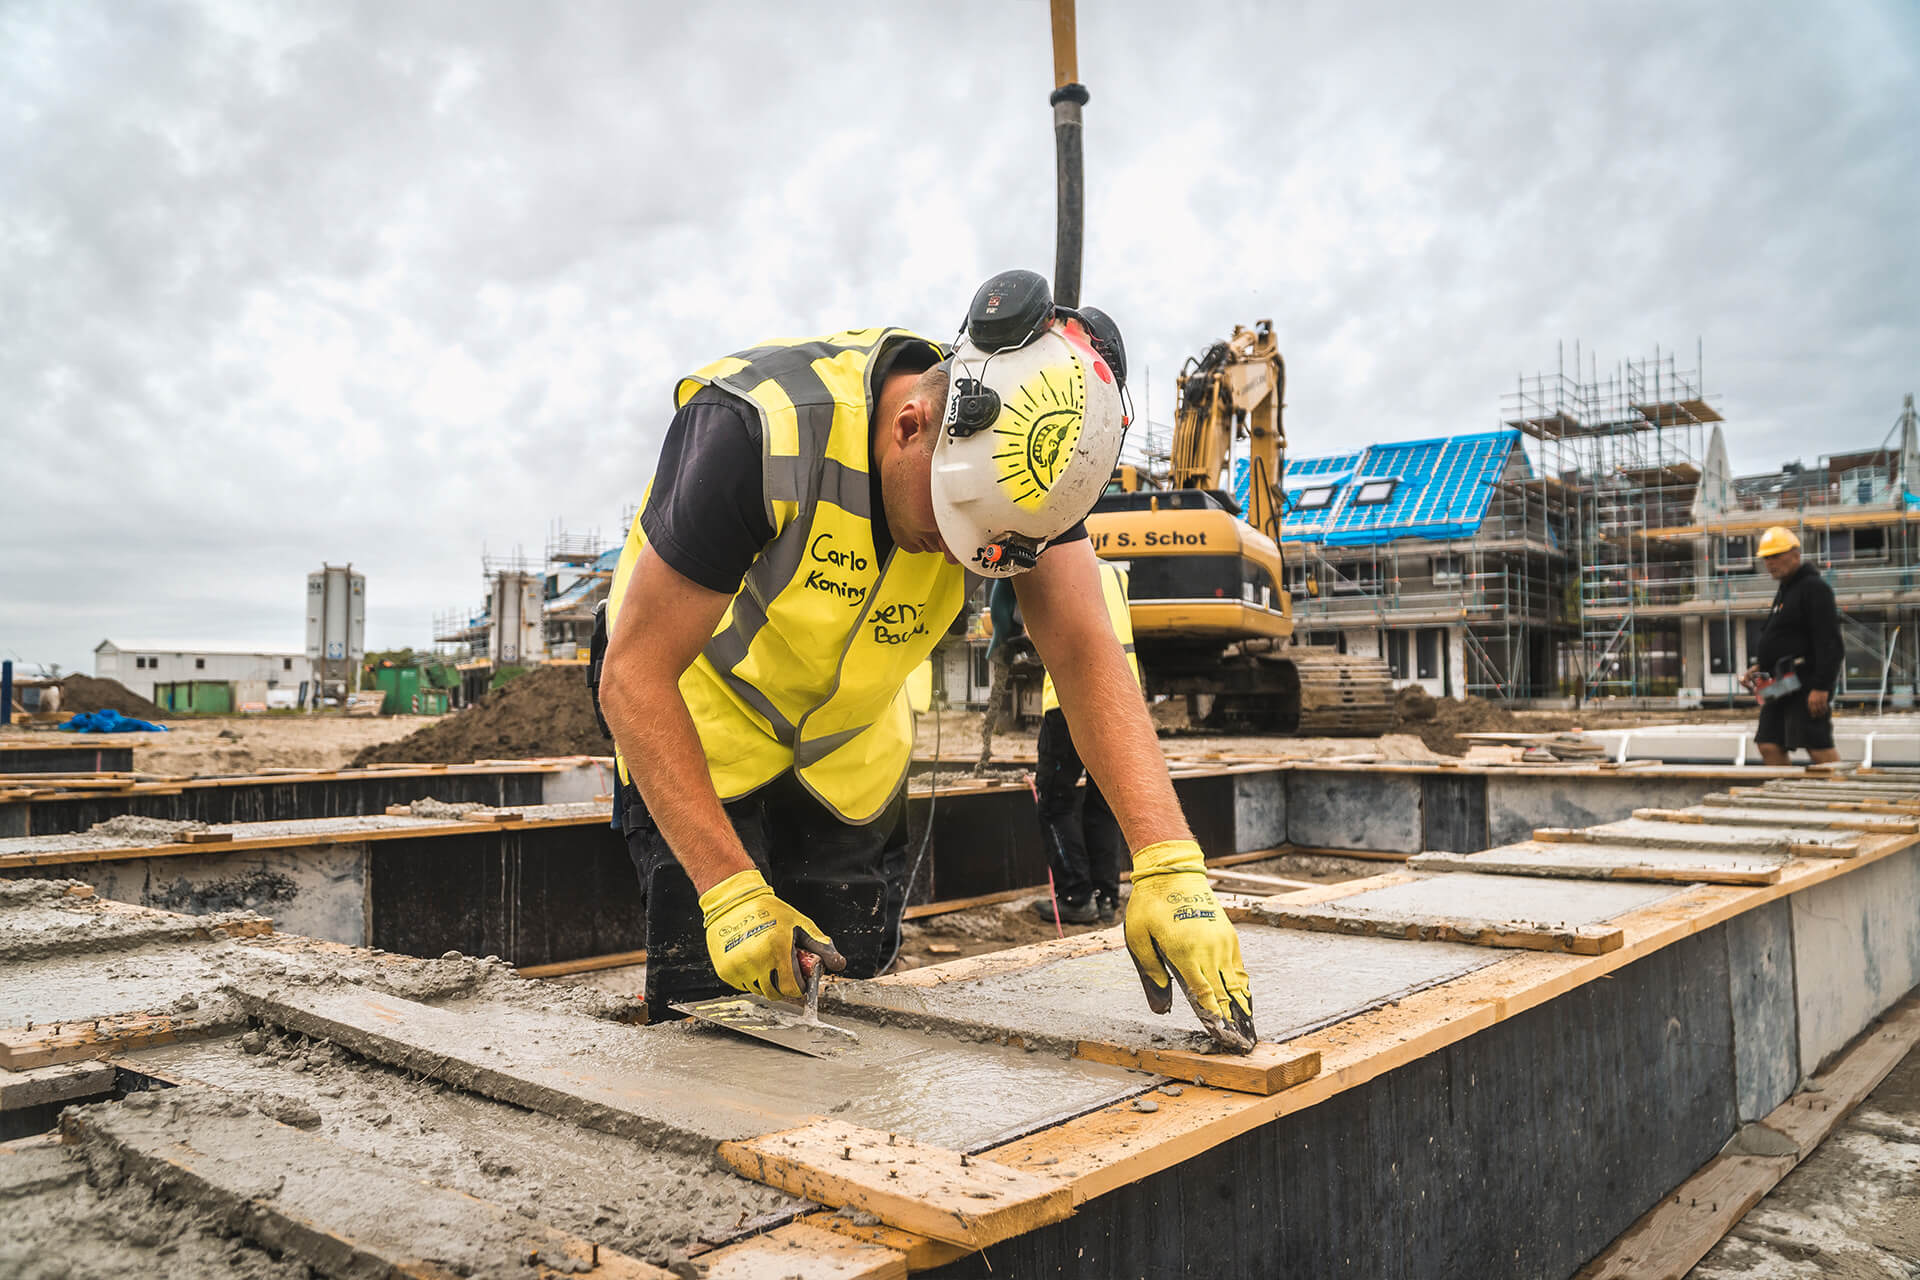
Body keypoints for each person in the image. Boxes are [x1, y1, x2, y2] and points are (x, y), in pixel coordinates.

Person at [594, 270, 1257, 1050]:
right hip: (699, 725)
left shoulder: (1024, 481)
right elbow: (633, 674)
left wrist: (1169, 864)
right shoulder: (756, 431)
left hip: (848, 751)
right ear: (912, 425)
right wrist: (730, 891)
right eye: (951, 529)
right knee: (713, 1006)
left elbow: (1082, 648)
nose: (962, 559)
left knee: (855, 997)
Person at [1031, 559, 1137, 925]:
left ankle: (1076, 896)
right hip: (1122, 696)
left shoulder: (1048, 562)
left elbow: (1012, 617)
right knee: (1103, 802)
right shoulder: (1115, 573)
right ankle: (1106, 897)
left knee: (1054, 802)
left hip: (1071, 697)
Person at [1741, 526, 1843, 766]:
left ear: (1795, 554)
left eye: (1776, 556)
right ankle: (1785, 794)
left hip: (1805, 681)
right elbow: (1785, 638)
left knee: (1816, 744)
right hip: (1779, 682)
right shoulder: (1786, 591)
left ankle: (1843, 790)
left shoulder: (1814, 589)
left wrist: (1821, 686)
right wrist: (1760, 666)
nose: (1770, 563)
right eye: (1766, 558)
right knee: (1768, 743)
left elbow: (1830, 642)